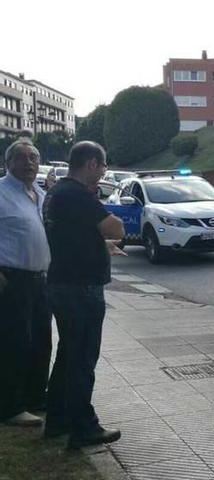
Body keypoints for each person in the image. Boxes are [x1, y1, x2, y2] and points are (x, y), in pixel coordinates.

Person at [43, 141, 125, 448]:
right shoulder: (78, 194)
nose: (104, 171)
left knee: (67, 355)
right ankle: (83, 427)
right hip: (81, 288)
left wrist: (97, 245)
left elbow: (75, 234)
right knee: (82, 359)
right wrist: (110, 233)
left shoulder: (56, 192)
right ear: (91, 164)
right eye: (102, 165)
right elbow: (114, 227)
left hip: (63, 281)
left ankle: (57, 419)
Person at [0, 133, 52, 428]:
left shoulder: (39, 195)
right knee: (13, 343)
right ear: (8, 163)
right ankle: (10, 406)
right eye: (22, 157)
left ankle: (35, 396)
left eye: (34, 157)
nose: (29, 163)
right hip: (11, 280)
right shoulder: (1, 192)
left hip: (40, 279)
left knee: (41, 341)